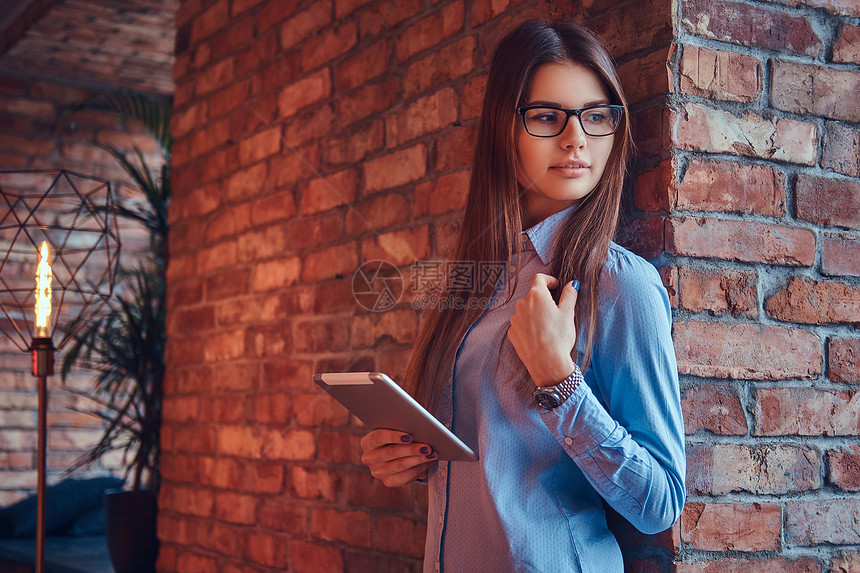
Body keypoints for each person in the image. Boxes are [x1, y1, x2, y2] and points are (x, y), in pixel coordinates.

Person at [360, 20, 686, 573]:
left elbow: (660, 503)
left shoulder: (618, 285)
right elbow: (494, 467)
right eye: (545, 117)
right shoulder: (474, 281)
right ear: (502, 131)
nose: (576, 138)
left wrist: (561, 383)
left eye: (596, 116)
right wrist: (404, 457)